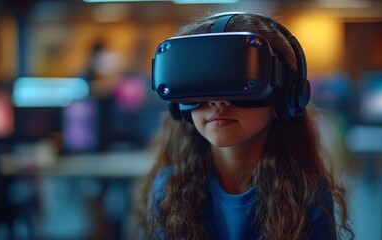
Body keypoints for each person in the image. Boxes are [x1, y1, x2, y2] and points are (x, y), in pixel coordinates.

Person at [132, 12, 354, 240]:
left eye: (240, 83)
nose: (217, 102)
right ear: (178, 106)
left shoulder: (306, 195)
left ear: (285, 96)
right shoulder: (169, 191)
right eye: (201, 85)